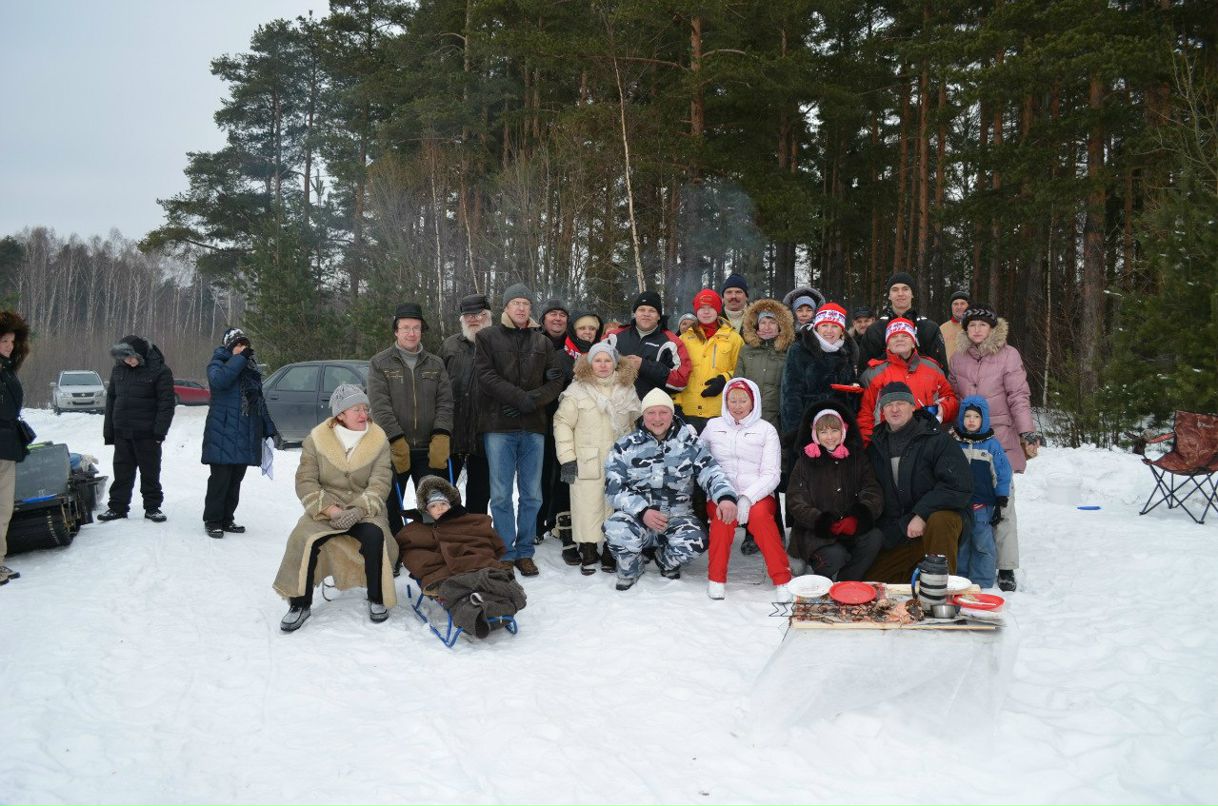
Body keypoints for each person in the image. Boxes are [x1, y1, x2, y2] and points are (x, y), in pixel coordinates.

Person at [273, 384, 397, 632]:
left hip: (364, 509)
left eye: (365, 409)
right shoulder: (316, 440)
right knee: (303, 538)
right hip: (325, 509)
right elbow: (305, 481)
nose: (364, 415)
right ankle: (299, 603)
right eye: (356, 410)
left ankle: (376, 597)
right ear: (340, 414)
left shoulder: (378, 440)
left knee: (375, 537)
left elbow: (381, 482)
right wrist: (332, 511)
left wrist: (358, 510)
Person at [948, 302, 1042, 592]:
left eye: (982, 325)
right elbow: (952, 394)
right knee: (970, 501)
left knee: (1002, 503)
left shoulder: (1008, 356)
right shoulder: (959, 358)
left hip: (999, 437)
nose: (977, 330)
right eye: (972, 325)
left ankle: (1006, 566)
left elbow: (1018, 395)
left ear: (992, 328)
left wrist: (1027, 431)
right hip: (964, 441)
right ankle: (969, 559)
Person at [603, 389, 737, 591]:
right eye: (651, 413)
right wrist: (643, 511)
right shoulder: (625, 446)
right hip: (638, 517)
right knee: (615, 528)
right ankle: (631, 567)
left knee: (696, 540)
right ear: (643, 415)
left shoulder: (691, 444)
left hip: (677, 517)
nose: (657, 419)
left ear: (672, 414)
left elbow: (712, 472)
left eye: (663, 412)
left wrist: (725, 497)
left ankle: (665, 561)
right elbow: (613, 489)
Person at [474, 283, 565, 577]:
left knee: (532, 495)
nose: (522, 308)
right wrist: (517, 398)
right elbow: (485, 376)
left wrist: (530, 402)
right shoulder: (487, 337)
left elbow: (555, 381)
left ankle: (524, 551)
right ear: (506, 308)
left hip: (532, 426)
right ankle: (505, 550)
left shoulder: (543, 343)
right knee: (500, 494)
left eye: (526, 303)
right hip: (499, 425)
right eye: (516, 303)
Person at [863, 382, 973, 583]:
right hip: (901, 530)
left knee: (940, 520)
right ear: (882, 411)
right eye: (888, 404)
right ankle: (915, 581)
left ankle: (939, 592)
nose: (894, 409)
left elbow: (958, 485)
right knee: (872, 585)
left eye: (900, 403)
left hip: (937, 526)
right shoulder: (875, 446)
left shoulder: (937, 439)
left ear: (913, 406)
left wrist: (921, 514)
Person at [397, 476, 527, 638]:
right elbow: (413, 556)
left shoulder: (467, 520)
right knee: (459, 591)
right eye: (434, 506)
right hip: (446, 574)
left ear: (451, 505)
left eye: (443, 504)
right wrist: (442, 566)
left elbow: (488, 540)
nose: (440, 508)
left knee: (488, 578)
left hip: (478, 564)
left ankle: (488, 601)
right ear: (425, 509)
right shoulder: (415, 530)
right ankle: (480, 613)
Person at [552, 342, 641, 574]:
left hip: (619, 461)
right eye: (598, 360)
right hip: (586, 459)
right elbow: (562, 424)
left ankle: (611, 550)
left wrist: (634, 458)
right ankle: (589, 549)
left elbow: (634, 425)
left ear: (615, 363)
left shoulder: (627, 389)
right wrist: (567, 459)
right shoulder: (576, 390)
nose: (603, 365)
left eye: (607, 360)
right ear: (590, 363)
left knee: (615, 505)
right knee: (586, 505)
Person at [699, 379, 791, 600]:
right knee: (724, 517)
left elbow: (772, 474)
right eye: (733, 400)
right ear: (725, 401)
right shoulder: (713, 426)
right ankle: (716, 579)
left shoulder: (766, 430)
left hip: (758, 495)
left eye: (743, 400)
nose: (737, 405)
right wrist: (724, 496)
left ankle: (782, 579)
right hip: (721, 495)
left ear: (753, 402)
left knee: (759, 517)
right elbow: (700, 461)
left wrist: (748, 498)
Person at [368, 302, 455, 536]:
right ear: (396, 331)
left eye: (416, 327)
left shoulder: (435, 364)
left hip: (428, 449)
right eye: (405, 327)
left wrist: (441, 435)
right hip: (393, 449)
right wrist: (395, 438)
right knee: (390, 504)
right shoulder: (380, 363)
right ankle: (393, 549)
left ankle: (431, 548)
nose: (411, 333)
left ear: (421, 330)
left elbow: (445, 402)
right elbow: (379, 406)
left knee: (433, 503)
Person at [786, 400, 883, 581]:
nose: (829, 437)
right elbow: (795, 500)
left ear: (843, 431)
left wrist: (857, 517)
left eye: (834, 430)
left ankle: (846, 581)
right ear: (815, 434)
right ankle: (818, 566)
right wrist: (821, 521)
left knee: (874, 537)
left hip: (849, 528)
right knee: (835, 557)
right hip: (815, 532)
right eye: (823, 432)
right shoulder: (805, 461)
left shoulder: (857, 458)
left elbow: (872, 490)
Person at [201, 328, 278, 539]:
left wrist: (269, 429)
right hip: (222, 431)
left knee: (235, 480)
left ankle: (227, 519)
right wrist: (239, 359)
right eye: (237, 344)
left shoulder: (250, 369)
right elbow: (219, 382)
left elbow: (259, 402)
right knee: (220, 480)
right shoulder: (218, 363)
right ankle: (213, 520)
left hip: (245, 432)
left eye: (245, 345)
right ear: (229, 346)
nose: (242, 349)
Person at [736, 297, 795, 555]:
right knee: (752, 477)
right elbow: (738, 385)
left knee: (774, 477)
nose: (768, 327)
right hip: (750, 422)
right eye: (763, 322)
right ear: (755, 326)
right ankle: (751, 532)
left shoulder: (789, 350)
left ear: (780, 326)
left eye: (772, 321)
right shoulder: (746, 351)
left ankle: (777, 529)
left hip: (778, 422)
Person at [97, 336, 175, 523]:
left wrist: (159, 432)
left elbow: (166, 404)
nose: (129, 361)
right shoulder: (118, 370)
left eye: (132, 357)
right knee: (121, 472)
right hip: (122, 430)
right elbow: (111, 401)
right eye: (125, 358)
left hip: (147, 433)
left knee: (150, 472)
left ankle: (152, 507)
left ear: (141, 355)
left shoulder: (160, 371)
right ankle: (117, 507)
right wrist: (109, 431)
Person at [856, 318, 958, 444]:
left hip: (927, 442)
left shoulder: (933, 369)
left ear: (913, 342)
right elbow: (865, 416)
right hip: (888, 444)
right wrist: (868, 446)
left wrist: (940, 409)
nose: (899, 339)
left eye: (905, 335)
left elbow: (951, 399)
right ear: (888, 344)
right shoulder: (873, 374)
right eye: (894, 337)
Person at [950, 396, 1012, 589]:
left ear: (983, 419)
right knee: (962, 541)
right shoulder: (954, 442)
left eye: (976, 417)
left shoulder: (991, 445)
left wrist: (1001, 497)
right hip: (960, 505)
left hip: (982, 505)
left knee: (982, 542)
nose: (971, 420)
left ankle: (982, 580)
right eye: (967, 416)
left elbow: (1003, 472)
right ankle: (960, 577)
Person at [440, 294, 492, 514]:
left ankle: (475, 538)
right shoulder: (450, 345)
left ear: (488, 317)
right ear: (462, 319)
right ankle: (445, 536)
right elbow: (437, 385)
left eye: (480, 315)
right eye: (468, 315)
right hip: (453, 433)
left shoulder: (498, 343)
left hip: (486, 435)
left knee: (480, 496)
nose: (474, 319)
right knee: (444, 494)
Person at [780, 301, 859, 437]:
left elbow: (851, 391)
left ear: (842, 331)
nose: (829, 331)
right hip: (807, 424)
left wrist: (854, 390)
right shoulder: (799, 350)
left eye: (835, 326)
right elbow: (790, 393)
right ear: (817, 327)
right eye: (824, 325)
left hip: (838, 426)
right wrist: (794, 432)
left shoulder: (847, 351)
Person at [535, 298, 576, 552]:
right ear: (543, 320)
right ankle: (537, 523)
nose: (558, 319)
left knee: (563, 471)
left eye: (562, 315)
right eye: (553, 315)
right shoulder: (535, 341)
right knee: (539, 472)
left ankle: (559, 520)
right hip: (540, 416)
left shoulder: (574, 346)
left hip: (569, 418)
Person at [675, 288, 743, 433]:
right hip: (689, 410)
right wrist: (677, 404)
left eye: (710, 307)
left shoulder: (734, 339)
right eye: (702, 308)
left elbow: (742, 370)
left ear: (718, 309)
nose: (706, 312)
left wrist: (725, 378)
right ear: (696, 311)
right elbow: (676, 374)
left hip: (721, 411)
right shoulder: (684, 339)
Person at [602, 290, 691, 401]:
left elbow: (681, 381)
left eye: (652, 311)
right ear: (635, 313)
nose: (646, 314)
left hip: (652, 410)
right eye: (641, 310)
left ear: (659, 316)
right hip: (615, 406)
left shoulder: (671, 342)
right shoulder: (614, 336)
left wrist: (644, 366)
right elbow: (593, 364)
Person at [857, 272, 947, 372]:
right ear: (889, 296)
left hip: (922, 385)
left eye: (905, 289)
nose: (900, 294)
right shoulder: (875, 330)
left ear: (912, 294)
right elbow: (864, 371)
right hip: (884, 385)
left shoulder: (929, 328)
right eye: (895, 290)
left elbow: (941, 369)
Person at [0, 310, 31, 585]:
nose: (10, 346)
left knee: (3, 508)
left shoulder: (6, 369)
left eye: (12, 341)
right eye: (4, 341)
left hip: (6, 445)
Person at [941, 290, 971, 363]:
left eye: (962, 304)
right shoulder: (942, 328)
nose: (959, 307)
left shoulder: (975, 327)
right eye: (955, 304)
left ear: (968, 306)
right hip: (948, 372)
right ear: (951, 307)